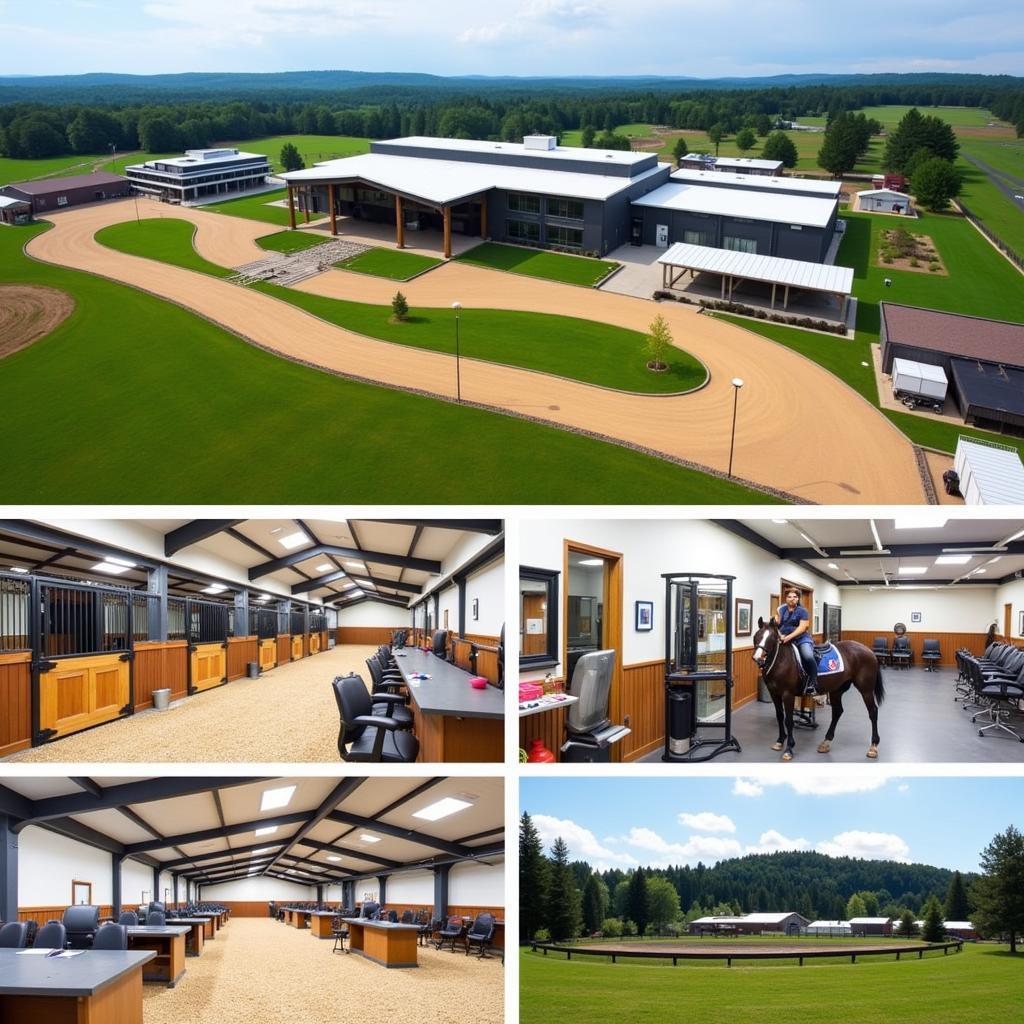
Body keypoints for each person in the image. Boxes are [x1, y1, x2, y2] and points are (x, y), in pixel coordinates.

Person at [777, 587, 817, 696]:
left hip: (801, 639)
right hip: (784, 639)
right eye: (789, 597)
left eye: (795, 597)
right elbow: (779, 624)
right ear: (786, 598)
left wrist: (788, 638)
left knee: (808, 656)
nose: (792, 599)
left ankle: (813, 682)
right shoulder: (782, 610)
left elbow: (802, 628)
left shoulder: (802, 611)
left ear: (798, 599)